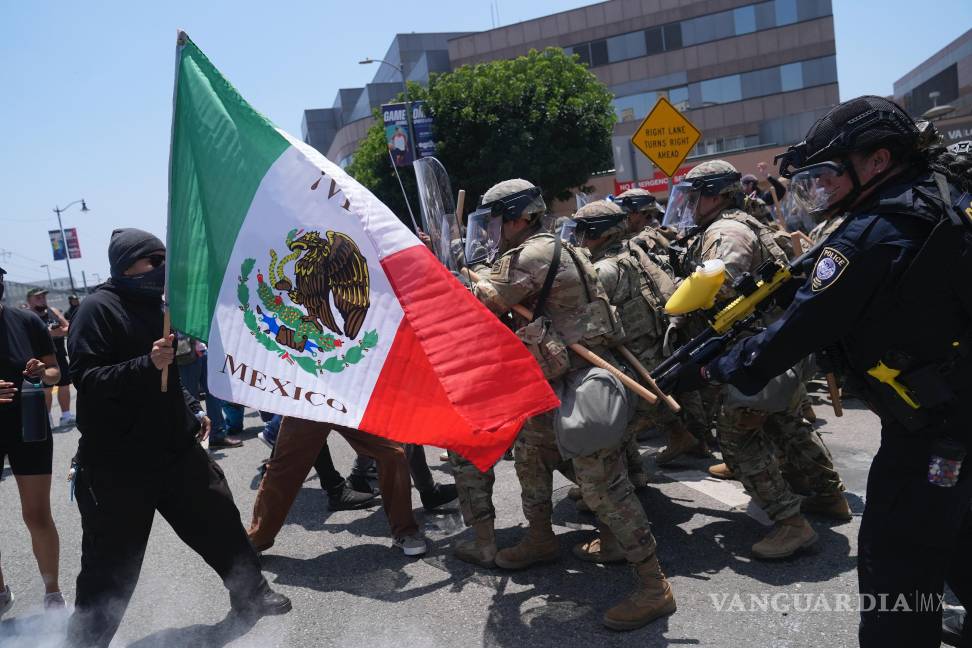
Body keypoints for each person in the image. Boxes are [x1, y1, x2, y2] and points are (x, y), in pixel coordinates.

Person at [668, 97, 972, 647]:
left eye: (830, 173)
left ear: (878, 160)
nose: (822, 189)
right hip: (960, 405)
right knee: (955, 525)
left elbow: (800, 328)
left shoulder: (872, 232)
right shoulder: (942, 196)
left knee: (896, 561)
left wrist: (718, 369)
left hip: (933, 431)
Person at [467, 179, 676, 631]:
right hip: (561, 376)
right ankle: (540, 538)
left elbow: (480, 303)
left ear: (521, 217)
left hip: (583, 384)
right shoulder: (553, 247)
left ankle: (653, 586)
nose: (495, 231)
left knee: (603, 485)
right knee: (531, 451)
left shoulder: (532, 255)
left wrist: (450, 275)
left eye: (498, 220)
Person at [65, 228, 289, 647]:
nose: (160, 268)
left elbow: (167, 378)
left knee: (218, 520)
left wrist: (190, 406)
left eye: (163, 258)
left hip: (175, 451)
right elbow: (88, 379)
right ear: (126, 264)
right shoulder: (97, 309)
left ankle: (251, 594)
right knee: (109, 566)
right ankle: (85, 642)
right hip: (118, 465)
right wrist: (144, 363)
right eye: (151, 260)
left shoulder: (161, 306)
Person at [663, 159, 850, 560]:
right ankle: (828, 495)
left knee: (737, 435)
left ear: (715, 195)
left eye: (694, 197)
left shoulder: (725, 232)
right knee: (787, 424)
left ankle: (790, 524)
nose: (689, 206)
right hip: (776, 347)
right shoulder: (745, 222)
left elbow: (719, 285)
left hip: (755, 352)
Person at [248, 417, 427, 556]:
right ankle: (256, 540)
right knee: (283, 469)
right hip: (308, 398)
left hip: (345, 395)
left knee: (392, 453)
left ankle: (405, 531)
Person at [0, 266, 65, 613]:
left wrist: (43, 372)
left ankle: (52, 592)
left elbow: (56, 370)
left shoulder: (27, 322)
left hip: (29, 425)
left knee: (36, 514)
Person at [175, 333, 242, 449]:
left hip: (201, 350)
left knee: (214, 392)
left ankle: (217, 435)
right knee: (190, 400)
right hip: (184, 354)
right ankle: (193, 440)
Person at [25, 288, 74, 427]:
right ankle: (47, 418)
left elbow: (68, 328)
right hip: (40, 358)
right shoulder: (28, 315)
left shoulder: (53, 311)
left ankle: (66, 415)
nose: (42, 300)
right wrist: (47, 334)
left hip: (59, 354)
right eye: (38, 298)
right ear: (29, 300)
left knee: (64, 384)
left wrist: (58, 333)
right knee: (46, 388)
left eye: (43, 297)